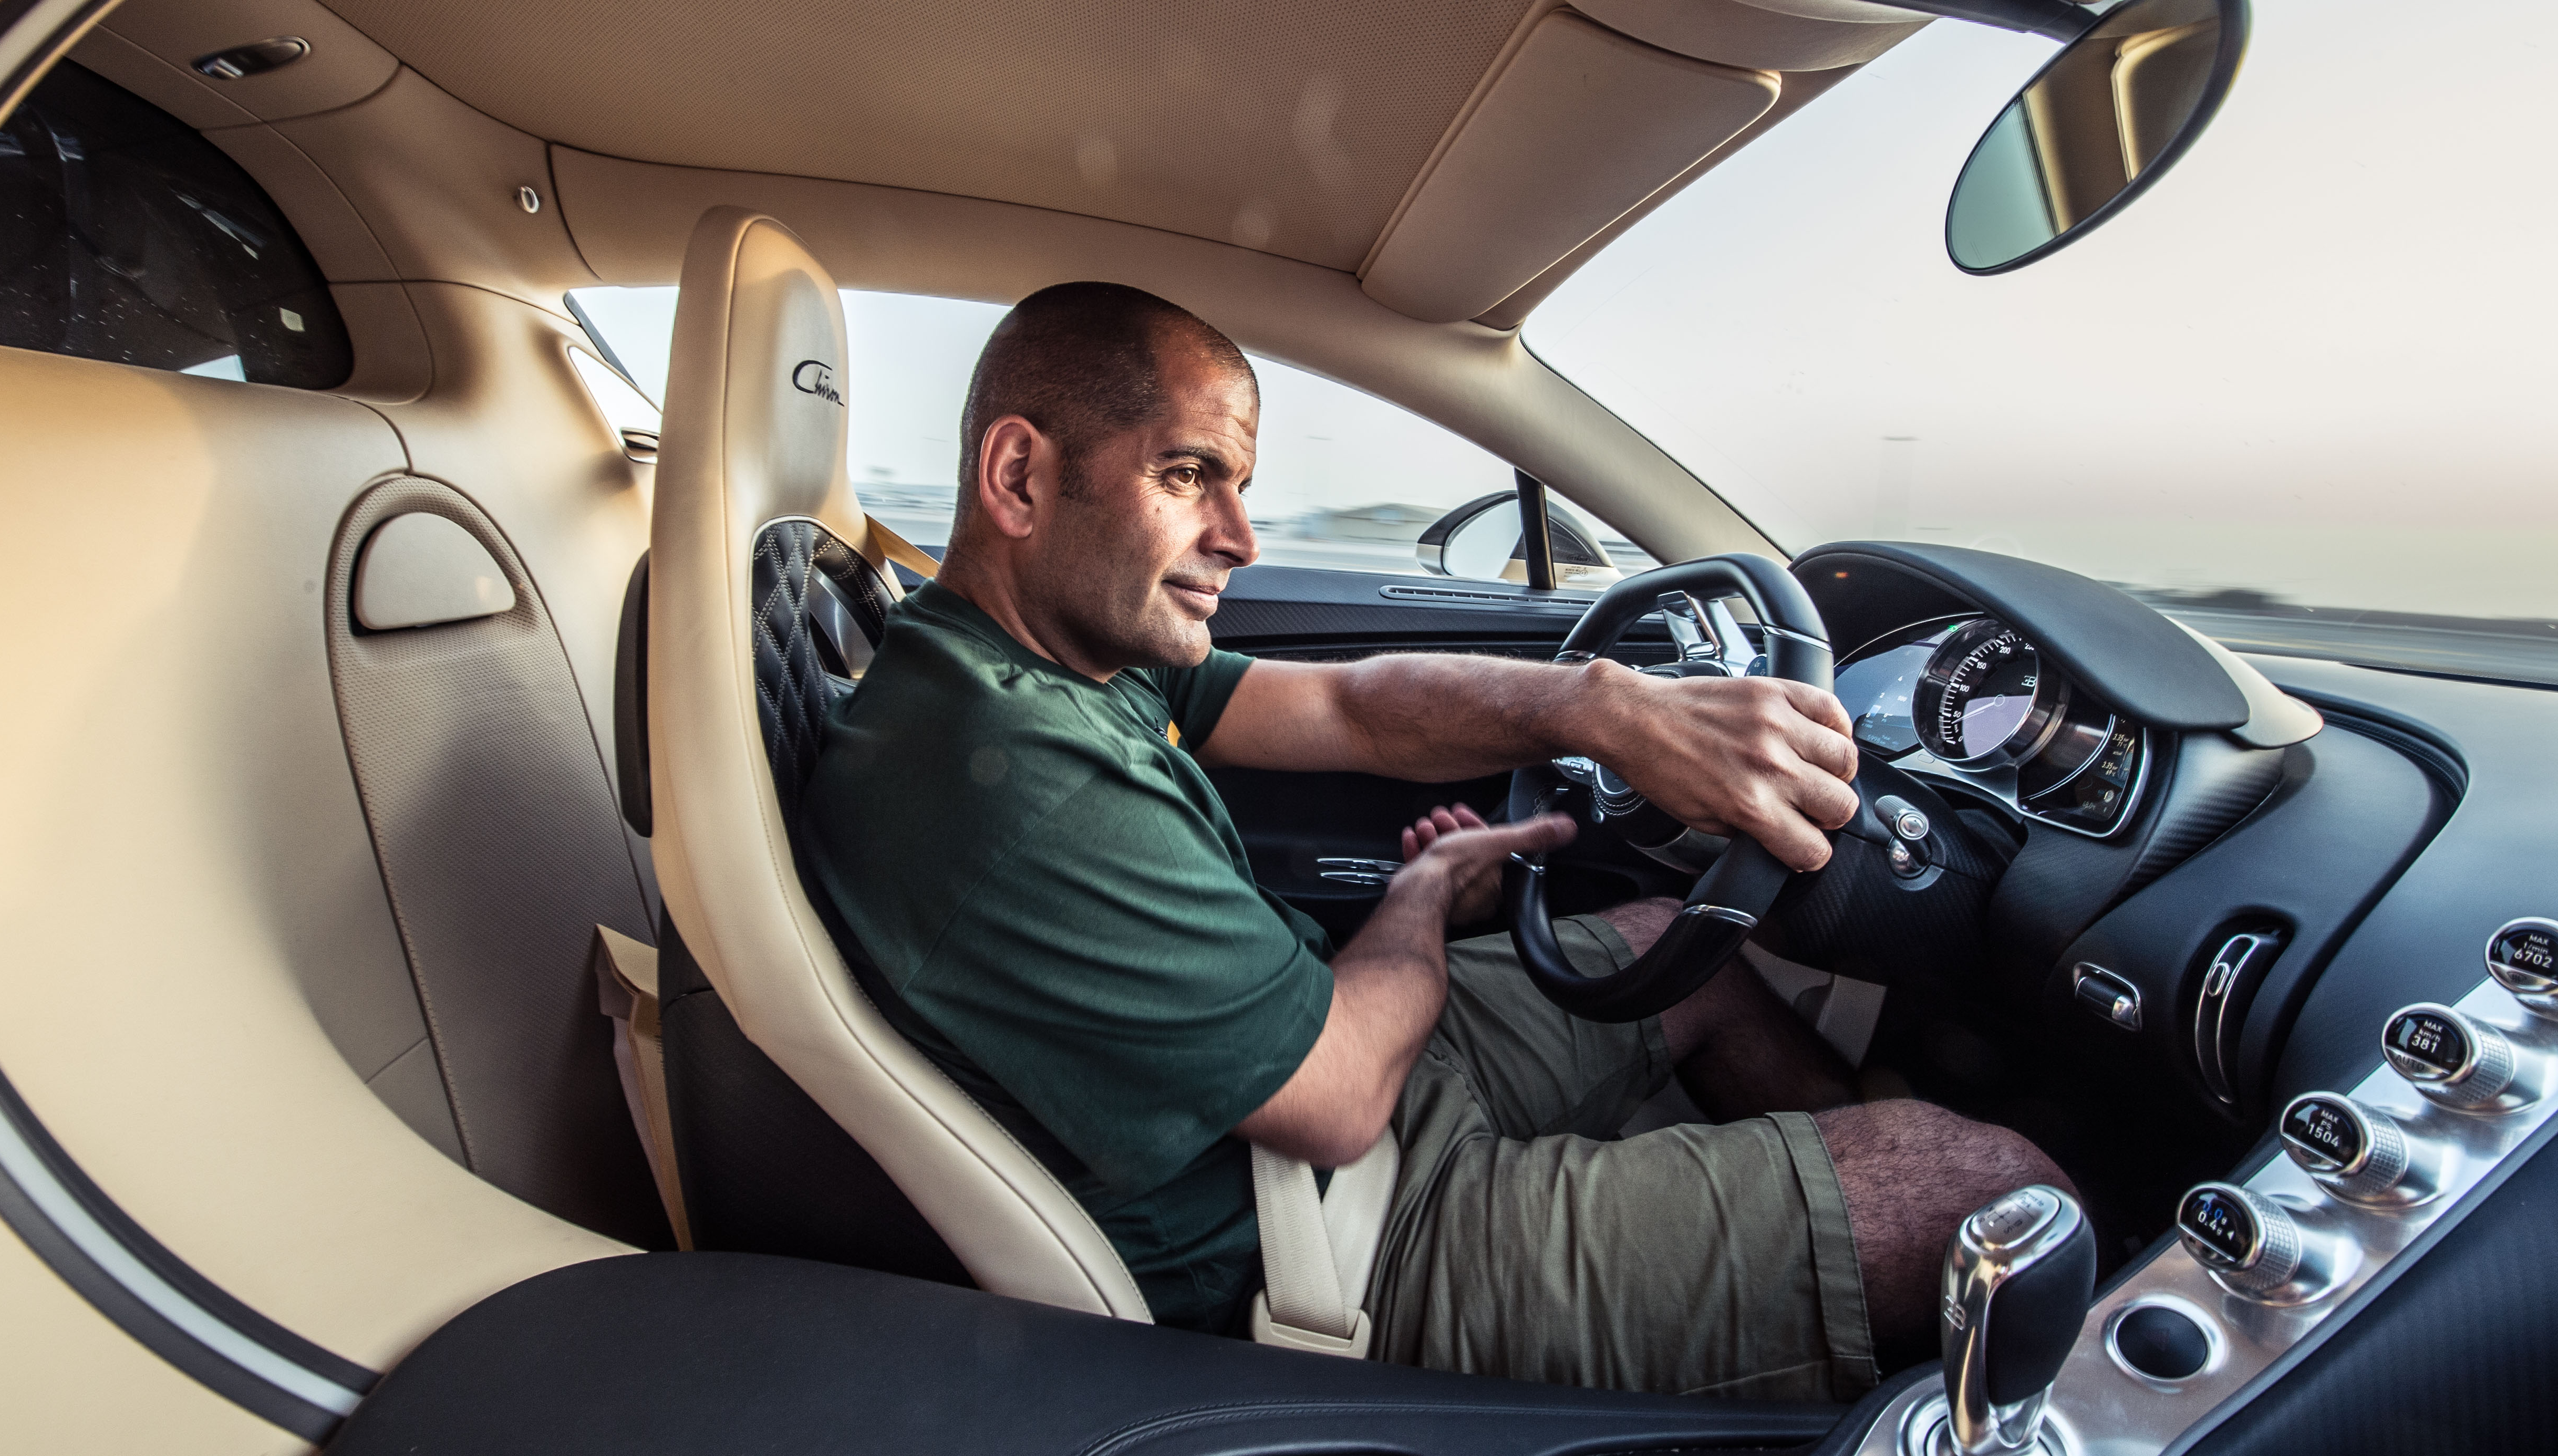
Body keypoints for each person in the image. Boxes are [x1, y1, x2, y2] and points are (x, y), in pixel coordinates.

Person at [795, 280, 2070, 1401]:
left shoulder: (1044, 660)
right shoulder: (1022, 777)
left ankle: (1824, 1285)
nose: (1239, 539)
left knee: (1680, 954)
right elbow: (1343, 1100)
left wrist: (1603, 706)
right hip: (1338, 1242)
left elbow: (1350, 706)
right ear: (1020, 477)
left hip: (1318, 1089)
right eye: (1188, 476)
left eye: (1240, 486)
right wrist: (1422, 893)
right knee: (1983, 1190)